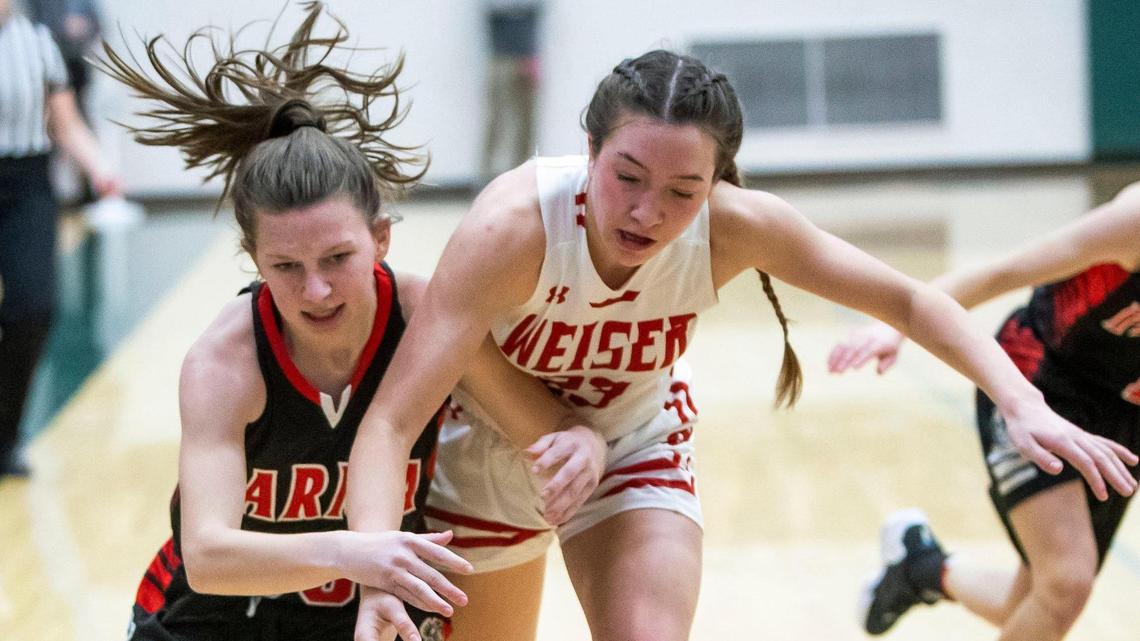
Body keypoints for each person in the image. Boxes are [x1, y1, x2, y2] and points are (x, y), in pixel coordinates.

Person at [345, 49, 1139, 641]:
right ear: (588, 153)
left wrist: (1021, 401)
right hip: (491, 452)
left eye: (683, 191)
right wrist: (377, 568)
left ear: (718, 183)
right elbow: (387, 421)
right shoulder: (511, 228)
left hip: (630, 441)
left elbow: (906, 296)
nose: (648, 211)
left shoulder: (739, 227)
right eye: (627, 176)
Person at [94, 4, 604, 640]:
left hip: (364, 614)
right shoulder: (223, 363)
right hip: (215, 618)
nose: (315, 289)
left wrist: (581, 440)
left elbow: (544, 425)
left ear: (381, 238)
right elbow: (209, 556)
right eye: (285, 266)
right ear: (254, 259)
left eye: (338, 257)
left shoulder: (426, 317)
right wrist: (354, 552)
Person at [828, 182, 1140, 640]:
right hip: (1039, 381)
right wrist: (899, 326)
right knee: (1066, 582)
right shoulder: (1132, 223)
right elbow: (1001, 272)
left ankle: (923, 569)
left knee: (1036, 599)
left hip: (1123, 413)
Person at [0, 0, 118, 478]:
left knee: (34, 307)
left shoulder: (38, 43)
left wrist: (100, 169)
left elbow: (65, 122)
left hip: (26, 183)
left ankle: (5, 437)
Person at [480, 0, 542, 182]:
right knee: (497, 120)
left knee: (526, 121)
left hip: (527, 55)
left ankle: (522, 177)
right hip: (501, 56)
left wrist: (531, 54)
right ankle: (487, 177)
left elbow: (534, 12)